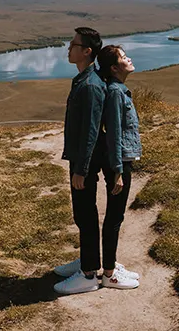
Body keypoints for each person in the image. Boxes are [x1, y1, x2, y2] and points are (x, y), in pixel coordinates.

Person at [53, 26, 108, 295]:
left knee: (85, 215)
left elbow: (90, 133)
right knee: (81, 214)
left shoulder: (89, 85)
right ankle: (88, 260)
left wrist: (82, 170)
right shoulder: (84, 80)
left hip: (83, 163)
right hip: (79, 161)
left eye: (74, 45)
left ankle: (88, 274)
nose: (69, 48)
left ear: (87, 51)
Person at [95, 44, 142, 289]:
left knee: (117, 215)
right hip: (119, 161)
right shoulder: (115, 93)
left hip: (121, 159)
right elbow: (113, 133)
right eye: (124, 57)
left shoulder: (118, 90)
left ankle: (110, 263)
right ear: (114, 68)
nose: (129, 59)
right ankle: (109, 273)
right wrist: (118, 171)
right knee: (115, 216)